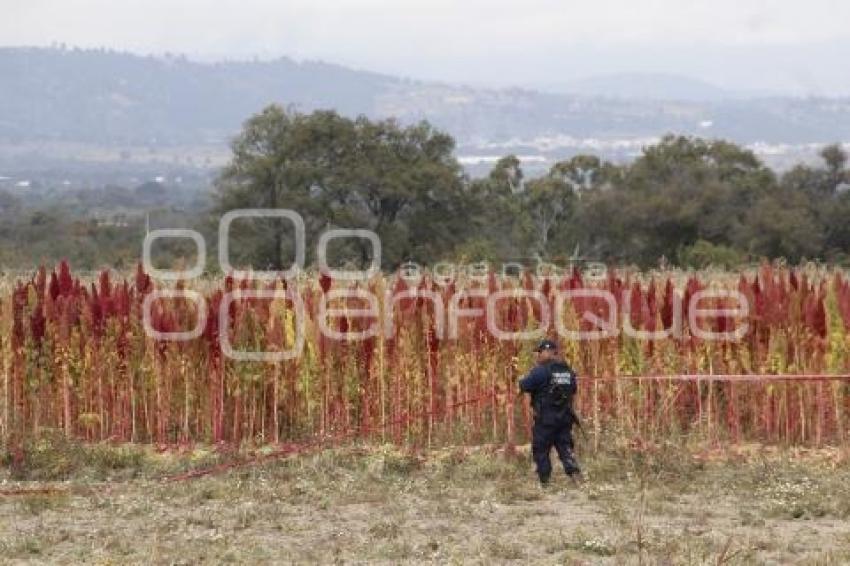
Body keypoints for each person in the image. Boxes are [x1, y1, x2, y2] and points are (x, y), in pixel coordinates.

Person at [519, 339, 581, 486]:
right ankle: (575, 477)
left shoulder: (539, 371)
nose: (538, 356)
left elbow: (524, 387)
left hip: (546, 419)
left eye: (539, 352)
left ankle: (545, 482)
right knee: (565, 447)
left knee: (541, 449)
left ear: (547, 352)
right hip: (565, 417)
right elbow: (573, 392)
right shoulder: (567, 371)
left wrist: (528, 419)